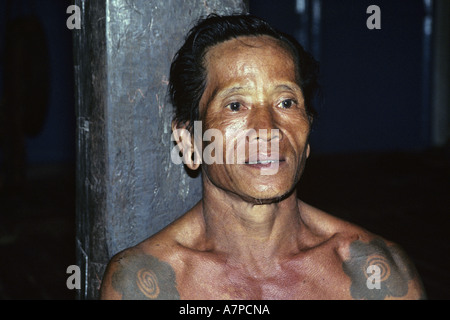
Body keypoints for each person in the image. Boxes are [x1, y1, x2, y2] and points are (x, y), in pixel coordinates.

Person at [100, 14, 426, 300]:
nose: (267, 128)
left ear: (307, 134)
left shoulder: (376, 277)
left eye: (286, 103)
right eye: (235, 105)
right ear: (190, 143)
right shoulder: (146, 285)